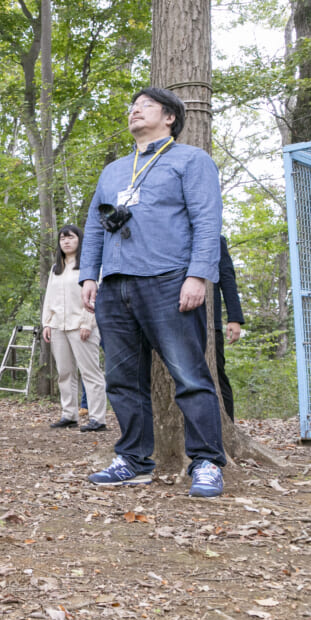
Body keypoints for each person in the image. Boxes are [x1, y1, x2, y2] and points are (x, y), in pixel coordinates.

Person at [81, 87, 225, 497]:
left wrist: (198, 275)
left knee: (190, 376)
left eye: (145, 106)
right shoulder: (113, 171)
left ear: (170, 118)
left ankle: (208, 462)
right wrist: (89, 275)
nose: (134, 110)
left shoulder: (191, 160)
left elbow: (206, 220)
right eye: (132, 106)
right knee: (122, 379)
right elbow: (94, 226)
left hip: (169, 281)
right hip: (115, 285)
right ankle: (133, 460)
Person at [42, 224, 107, 432]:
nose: (66, 241)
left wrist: (88, 321)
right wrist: (47, 322)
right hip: (58, 325)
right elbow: (49, 298)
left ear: (79, 240)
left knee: (90, 372)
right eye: (62, 238)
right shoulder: (56, 269)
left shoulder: (89, 266)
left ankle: (98, 418)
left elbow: (95, 296)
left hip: (81, 326)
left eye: (70, 237)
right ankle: (69, 414)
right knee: (65, 372)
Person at [214, 234, 244, 421]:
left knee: (217, 373)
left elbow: (227, 277)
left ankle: (227, 426)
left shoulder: (215, 239)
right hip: (169, 320)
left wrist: (234, 318)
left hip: (209, 322)